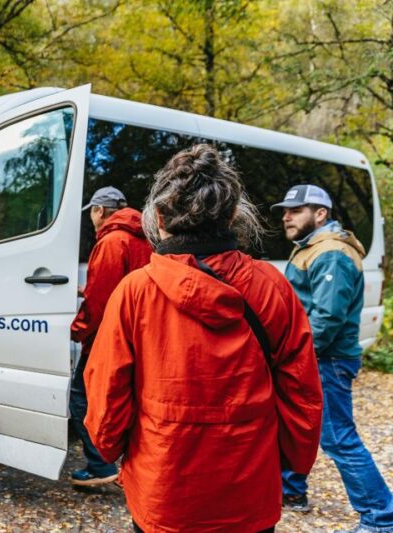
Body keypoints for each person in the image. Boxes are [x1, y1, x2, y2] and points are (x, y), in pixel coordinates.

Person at [84, 144, 323, 532]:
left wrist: (113, 451)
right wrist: (291, 461)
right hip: (249, 495)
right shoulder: (271, 288)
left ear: (159, 217)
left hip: (164, 495)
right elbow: (302, 394)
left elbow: (107, 397)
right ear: (231, 215)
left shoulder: (135, 292)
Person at [273, 184, 393, 532]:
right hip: (318, 358)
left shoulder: (332, 253)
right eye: (285, 210)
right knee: (293, 424)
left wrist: (292, 358)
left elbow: (326, 320)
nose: (286, 216)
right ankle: (292, 492)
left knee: (338, 437)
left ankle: (381, 516)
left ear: (320, 214)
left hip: (327, 362)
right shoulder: (314, 248)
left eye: (295, 210)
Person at [69, 186, 152, 486]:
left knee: (80, 399)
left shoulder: (111, 242)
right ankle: (133, 466)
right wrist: (89, 291)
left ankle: (101, 465)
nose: (91, 219)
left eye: (91, 212)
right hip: (139, 335)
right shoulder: (144, 238)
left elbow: (101, 304)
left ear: (99, 211)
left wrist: (77, 330)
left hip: (108, 337)